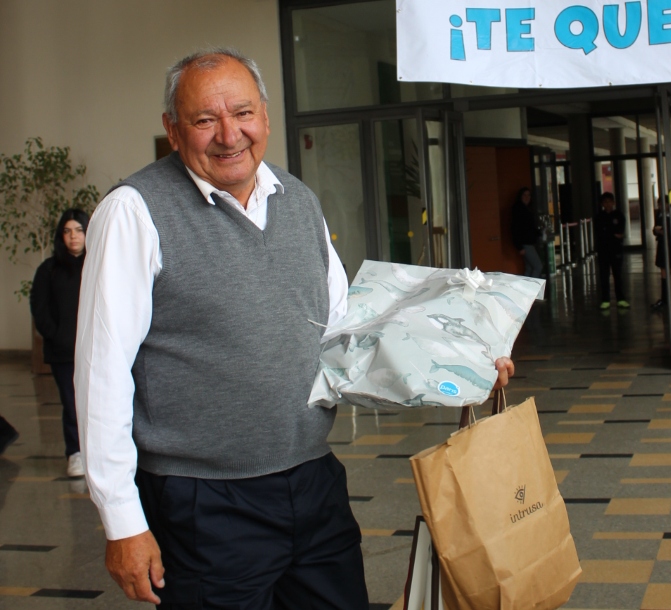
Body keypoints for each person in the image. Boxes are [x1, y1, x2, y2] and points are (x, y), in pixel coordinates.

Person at [75, 48, 514, 608]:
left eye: (243, 113)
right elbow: (101, 374)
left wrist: (466, 361)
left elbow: (345, 343)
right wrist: (122, 522)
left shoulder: (299, 201)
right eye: (205, 119)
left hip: (312, 481)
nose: (229, 135)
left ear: (265, 114)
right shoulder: (134, 212)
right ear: (173, 129)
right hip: (202, 501)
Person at [30, 209, 89, 478]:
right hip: (63, 352)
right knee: (71, 402)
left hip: (95, 350)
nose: (73, 236)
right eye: (67, 231)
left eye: (78, 230)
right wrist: (56, 335)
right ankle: (75, 453)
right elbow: (39, 309)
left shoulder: (99, 264)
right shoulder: (49, 270)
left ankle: (97, 454)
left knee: (97, 403)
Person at [593, 192, 628, 309]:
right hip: (603, 250)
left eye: (609, 202)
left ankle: (621, 299)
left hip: (616, 250)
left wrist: (609, 232)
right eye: (605, 202)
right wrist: (612, 233)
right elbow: (600, 233)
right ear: (602, 204)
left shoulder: (619, 215)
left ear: (613, 203)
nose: (607, 204)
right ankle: (605, 300)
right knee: (604, 276)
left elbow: (620, 232)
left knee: (618, 275)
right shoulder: (599, 217)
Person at [511, 187, 542, 278]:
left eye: (528, 195)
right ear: (520, 196)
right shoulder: (519, 210)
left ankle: (526, 286)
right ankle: (532, 285)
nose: (527, 197)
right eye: (524, 195)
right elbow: (515, 228)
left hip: (527, 242)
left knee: (529, 268)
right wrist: (519, 246)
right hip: (526, 243)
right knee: (538, 267)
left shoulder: (525, 209)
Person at [650, 202, 671, 311]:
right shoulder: (659, 214)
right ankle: (665, 298)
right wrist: (656, 230)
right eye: (659, 204)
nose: (661, 206)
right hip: (662, 243)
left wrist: (664, 231)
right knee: (663, 270)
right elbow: (655, 228)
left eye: (663, 204)